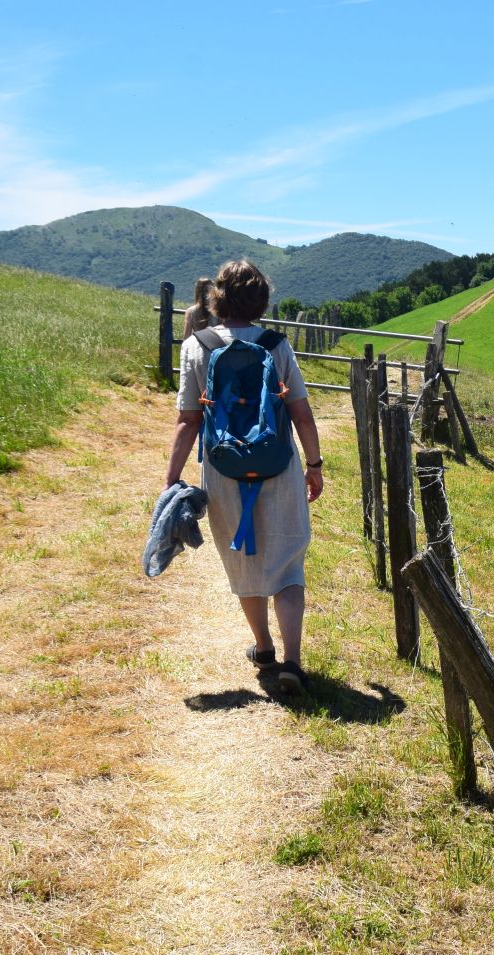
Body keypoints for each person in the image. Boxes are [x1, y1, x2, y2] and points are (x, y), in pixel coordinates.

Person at [163, 259, 325, 692]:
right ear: (261, 300)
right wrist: (314, 466)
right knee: (288, 567)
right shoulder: (277, 345)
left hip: (223, 469)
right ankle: (292, 661)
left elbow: (187, 420)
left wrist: (172, 479)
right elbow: (302, 415)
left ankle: (263, 647)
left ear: (218, 297)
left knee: (244, 561)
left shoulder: (197, 346)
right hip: (279, 466)